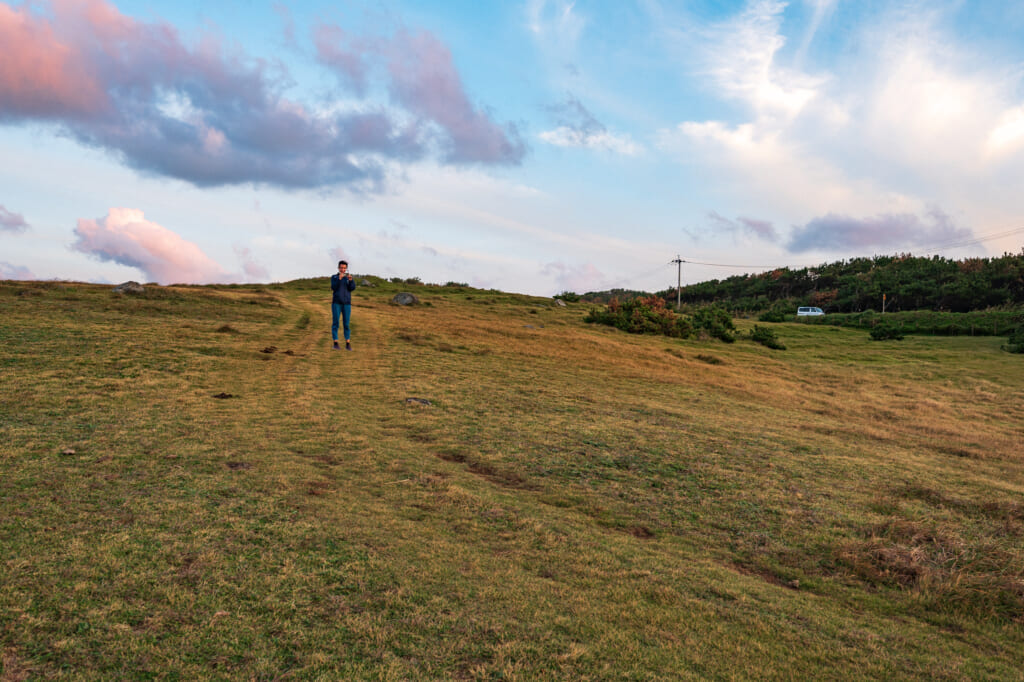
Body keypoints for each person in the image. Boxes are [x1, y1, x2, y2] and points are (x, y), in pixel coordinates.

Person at [330, 260, 356, 350]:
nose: (343, 270)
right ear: (338, 268)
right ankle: (335, 342)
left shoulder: (348, 278)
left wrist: (351, 281)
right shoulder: (334, 277)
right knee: (336, 323)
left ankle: (348, 343)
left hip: (347, 304)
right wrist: (339, 279)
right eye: (341, 268)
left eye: (344, 268)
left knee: (346, 324)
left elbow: (352, 288)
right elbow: (333, 287)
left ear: (346, 269)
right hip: (336, 303)